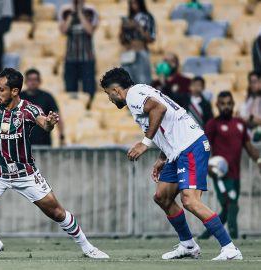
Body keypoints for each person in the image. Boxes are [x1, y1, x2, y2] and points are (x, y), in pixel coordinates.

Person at [0, 68, 108, 261]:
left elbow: (44, 124)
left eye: (1, 89)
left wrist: (50, 123)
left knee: (56, 212)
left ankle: (87, 247)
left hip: (25, 173)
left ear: (14, 91)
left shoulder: (29, 109)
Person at [100, 67, 242, 260]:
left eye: (109, 94)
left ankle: (230, 249)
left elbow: (160, 109)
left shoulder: (133, 95)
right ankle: (188, 245)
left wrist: (145, 143)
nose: (110, 99)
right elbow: (167, 124)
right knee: (162, 196)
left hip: (190, 146)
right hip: (177, 151)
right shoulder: (141, 90)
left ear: (116, 90)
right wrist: (162, 157)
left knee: (190, 200)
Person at [198, 91, 261, 239]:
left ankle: (205, 236)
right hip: (220, 173)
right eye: (222, 104)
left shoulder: (239, 124)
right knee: (231, 204)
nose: (226, 107)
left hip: (235, 174)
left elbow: (248, 146)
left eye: (229, 103)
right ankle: (234, 237)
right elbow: (205, 147)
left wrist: (258, 160)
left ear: (233, 105)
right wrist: (207, 166)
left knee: (228, 208)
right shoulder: (212, 124)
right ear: (217, 105)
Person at [59, 0, 99, 109]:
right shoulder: (65, 11)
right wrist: (72, 14)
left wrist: (80, 13)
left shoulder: (91, 11)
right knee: (71, 89)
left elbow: (90, 30)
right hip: (70, 59)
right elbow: (63, 30)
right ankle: (74, 111)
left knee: (89, 89)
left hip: (87, 58)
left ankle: (89, 111)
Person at [20, 68, 66, 146]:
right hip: (22, 145)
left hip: (43, 143)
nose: (33, 82)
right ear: (25, 81)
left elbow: (58, 118)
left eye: (35, 79)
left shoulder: (47, 97)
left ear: (40, 81)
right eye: (30, 79)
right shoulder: (18, 98)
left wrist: (61, 137)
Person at [119, 0, 156, 85]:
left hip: (141, 53)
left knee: (143, 84)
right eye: (131, 3)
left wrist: (137, 27)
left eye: (135, 2)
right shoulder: (128, 18)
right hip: (128, 54)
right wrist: (122, 29)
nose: (133, 5)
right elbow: (122, 40)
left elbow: (151, 38)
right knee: (127, 84)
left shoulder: (147, 17)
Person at [239, 71, 261, 141]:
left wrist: (250, 118)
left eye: (254, 82)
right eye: (250, 82)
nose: (252, 85)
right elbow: (240, 115)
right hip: (247, 131)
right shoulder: (249, 99)